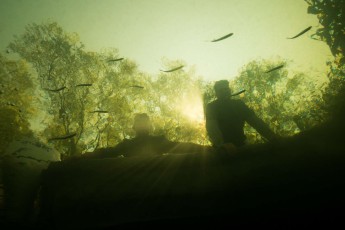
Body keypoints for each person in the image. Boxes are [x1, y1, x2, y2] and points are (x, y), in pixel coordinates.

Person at [81, 113, 211, 159]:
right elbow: (107, 153)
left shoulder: (157, 141)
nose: (142, 126)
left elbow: (183, 147)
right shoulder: (128, 145)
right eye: (140, 123)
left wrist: (209, 150)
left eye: (144, 123)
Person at [205, 80, 278, 151]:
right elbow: (212, 128)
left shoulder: (238, 105)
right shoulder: (212, 107)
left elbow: (255, 122)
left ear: (229, 90)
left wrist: (272, 137)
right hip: (222, 150)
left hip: (241, 145)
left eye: (226, 89)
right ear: (217, 93)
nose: (224, 91)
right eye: (221, 90)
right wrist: (221, 144)